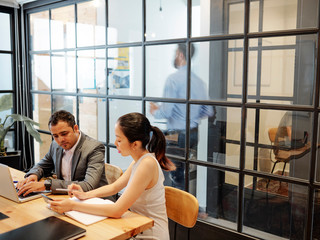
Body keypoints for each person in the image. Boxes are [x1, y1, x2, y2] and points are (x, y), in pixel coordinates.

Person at [50, 112, 175, 240]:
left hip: (150, 233)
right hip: (136, 227)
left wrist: (72, 205)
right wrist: (85, 195)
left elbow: (117, 210)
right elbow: (114, 187)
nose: (115, 143)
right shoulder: (139, 161)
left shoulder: (147, 164)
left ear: (135, 144)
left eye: (119, 140)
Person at [150, 43, 213, 190]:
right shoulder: (199, 82)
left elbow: (165, 112)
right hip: (193, 134)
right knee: (184, 172)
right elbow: (208, 111)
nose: (174, 56)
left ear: (181, 55)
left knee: (175, 176)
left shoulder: (173, 79)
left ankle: (178, 211)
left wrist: (155, 110)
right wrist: (191, 115)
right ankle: (187, 208)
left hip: (177, 136)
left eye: (175, 52)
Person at [16, 110, 108, 196]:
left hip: (95, 200)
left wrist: (47, 185)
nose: (60, 140)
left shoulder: (94, 148)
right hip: (67, 197)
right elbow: (42, 166)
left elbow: (88, 186)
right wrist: (33, 175)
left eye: (64, 134)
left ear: (75, 128)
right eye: (55, 136)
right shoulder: (55, 145)